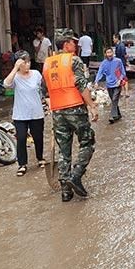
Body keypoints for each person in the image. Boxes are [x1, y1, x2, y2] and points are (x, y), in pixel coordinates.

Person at [43, 29, 99, 202]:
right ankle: (76, 175)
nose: (75, 45)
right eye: (73, 42)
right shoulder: (73, 60)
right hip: (75, 108)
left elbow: (45, 90)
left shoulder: (47, 63)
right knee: (88, 141)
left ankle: (65, 191)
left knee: (64, 150)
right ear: (66, 43)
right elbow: (82, 85)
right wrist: (92, 106)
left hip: (57, 111)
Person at [3, 51, 45, 176]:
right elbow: (6, 85)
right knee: (21, 138)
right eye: (24, 62)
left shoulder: (36, 74)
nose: (27, 65)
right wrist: (15, 68)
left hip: (36, 113)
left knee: (38, 137)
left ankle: (40, 158)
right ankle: (22, 164)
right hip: (20, 114)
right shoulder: (15, 77)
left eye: (28, 62)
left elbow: (43, 89)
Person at [94, 47, 126, 123]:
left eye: (110, 52)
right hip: (109, 85)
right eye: (108, 53)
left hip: (117, 84)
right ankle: (118, 114)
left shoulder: (118, 61)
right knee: (113, 100)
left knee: (114, 99)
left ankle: (112, 116)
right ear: (105, 54)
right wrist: (96, 81)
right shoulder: (103, 63)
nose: (109, 54)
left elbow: (123, 73)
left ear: (113, 53)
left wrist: (120, 79)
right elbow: (100, 72)